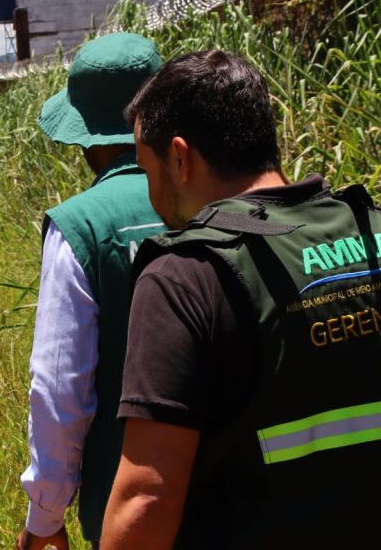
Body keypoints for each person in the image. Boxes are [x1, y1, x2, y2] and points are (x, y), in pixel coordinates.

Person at [102, 50, 381, 549]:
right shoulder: (373, 229)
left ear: (181, 158)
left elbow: (147, 501)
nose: (151, 194)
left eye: (147, 170)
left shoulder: (184, 277)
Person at [15, 33, 164, 550]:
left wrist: (45, 517)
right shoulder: (216, 197)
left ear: (84, 136)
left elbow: (59, 387)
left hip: (124, 499)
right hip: (232, 492)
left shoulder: (80, 225)